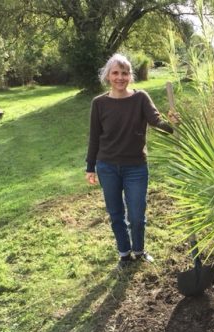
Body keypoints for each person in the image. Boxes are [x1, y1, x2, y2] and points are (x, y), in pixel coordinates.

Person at [85, 53, 175, 270]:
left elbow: (157, 122)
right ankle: (124, 254)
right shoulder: (99, 103)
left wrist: (170, 123)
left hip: (135, 167)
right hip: (107, 166)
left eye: (124, 73)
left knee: (136, 215)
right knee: (116, 214)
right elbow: (94, 136)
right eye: (115, 73)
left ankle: (139, 250)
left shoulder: (140, 98)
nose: (120, 77)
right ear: (108, 76)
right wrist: (90, 167)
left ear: (130, 76)